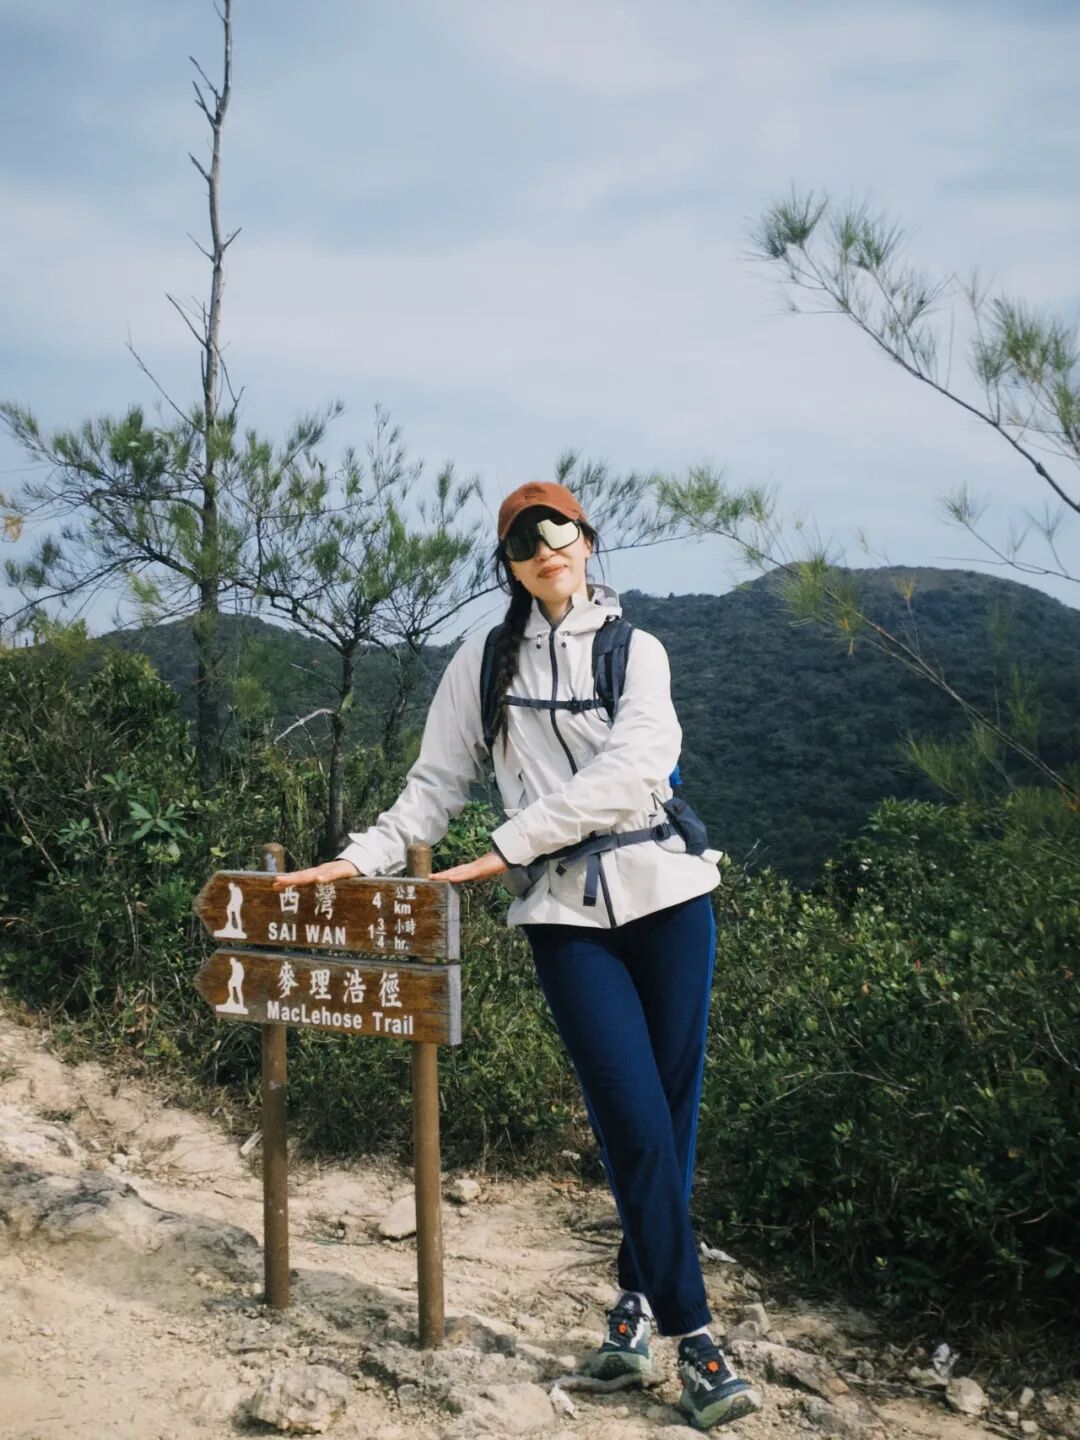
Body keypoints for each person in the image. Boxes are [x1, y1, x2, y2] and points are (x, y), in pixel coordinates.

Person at [271, 480, 762, 1430]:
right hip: (564, 915)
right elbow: (433, 786)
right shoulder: (484, 659)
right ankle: (698, 1341)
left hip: (669, 898)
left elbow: (634, 770)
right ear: (509, 563)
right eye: (524, 543)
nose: (546, 552)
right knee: (629, 1115)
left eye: (559, 533)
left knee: (669, 1118)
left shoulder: (638, 650)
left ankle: (634, 1305)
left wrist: (509, 844)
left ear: (586, 540)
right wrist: (360, 859)